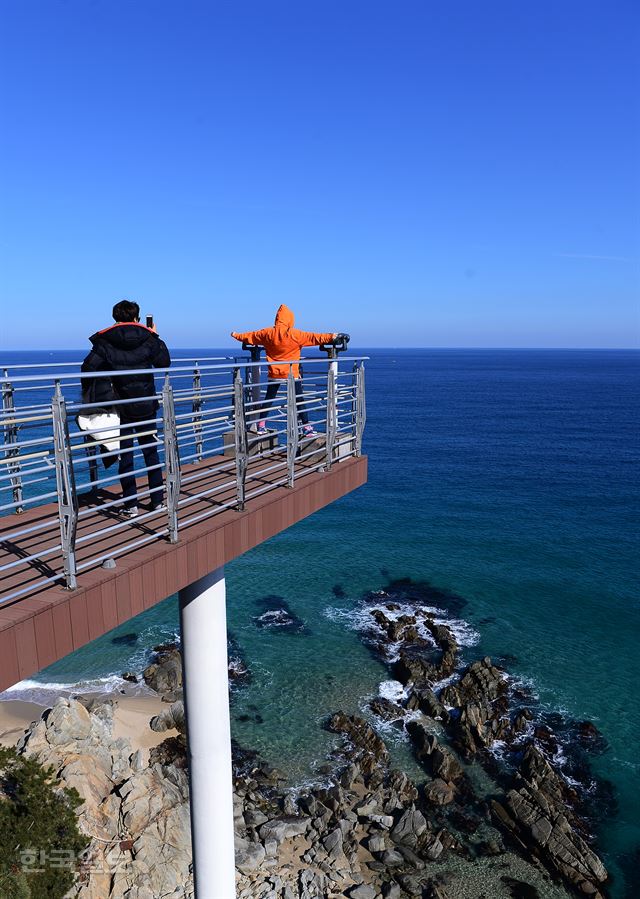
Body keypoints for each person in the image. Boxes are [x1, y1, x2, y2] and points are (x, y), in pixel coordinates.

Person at [82, 300, 171, 518]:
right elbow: (164, 363)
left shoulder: (105, 341)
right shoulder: (148, 338)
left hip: (121, 407)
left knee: (126, 455)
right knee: (150, 451)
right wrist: (155, 336)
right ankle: (157, 500)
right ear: (137, 318)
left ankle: (131, 505)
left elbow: (87, 368)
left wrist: (102, 389)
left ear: (115, 318)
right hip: (146, 405)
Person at [231, 304, 337, 436]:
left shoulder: (267, 333)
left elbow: (250, 336)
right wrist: (332, 336)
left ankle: (261, 425)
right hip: (292, 373)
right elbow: (314, 337)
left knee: (269, 399)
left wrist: (236, 335)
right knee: (299, 399)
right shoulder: (295, 334)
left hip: (274, 373)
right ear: (289, 319)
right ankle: (306, 427)